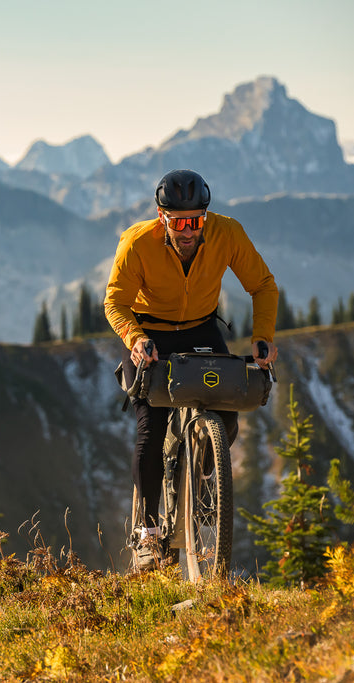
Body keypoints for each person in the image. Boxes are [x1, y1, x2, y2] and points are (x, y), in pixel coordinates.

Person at [103, 169, 279, 571]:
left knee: (228, 420)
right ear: (161, 216)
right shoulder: (136, 243)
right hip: (152, 335)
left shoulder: (226, 233)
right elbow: (115, 302)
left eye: (196, 221)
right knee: (150, 430)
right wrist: (135, 339)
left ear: (205, 216)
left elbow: (263, 285)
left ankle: (195, 473)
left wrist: (262, 337)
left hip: (201, 329)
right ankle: (147, 536)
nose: (188, 231)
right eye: (178, 222)